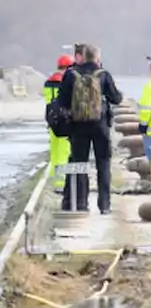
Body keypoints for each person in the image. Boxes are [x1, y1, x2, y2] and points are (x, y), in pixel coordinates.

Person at [55, 44, 123, 214]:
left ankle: (81, 203)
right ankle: (105, 205)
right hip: (100, 126)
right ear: (97, 58)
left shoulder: (71, 74)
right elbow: (116, 99)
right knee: (103, 164)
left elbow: (61, 101)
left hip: (78, 126)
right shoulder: (103, 74)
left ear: (82, 57)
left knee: (80, 164)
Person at [42, 54, 74, 191]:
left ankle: (53, 180)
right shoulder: (66, 82)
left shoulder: (48, 83)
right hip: (64, 122)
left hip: (51, 120)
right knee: (64, 152)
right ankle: (61, 184)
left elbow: (48, 101)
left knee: (54, 152)